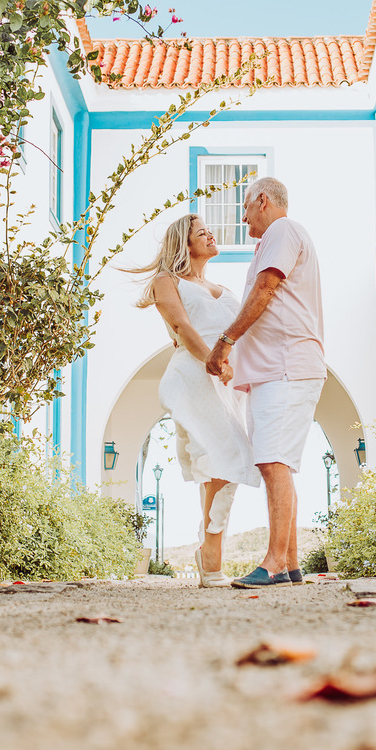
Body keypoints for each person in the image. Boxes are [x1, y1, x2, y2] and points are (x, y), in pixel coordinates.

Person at [125, 214, 261, 588]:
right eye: (202, 232)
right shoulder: (166, 282)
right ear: (184, 245)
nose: (211, 234)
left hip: (228, 382)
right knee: (221, 456)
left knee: (230, 459)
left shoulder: (224, 288)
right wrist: (212, 361)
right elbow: (183, 328)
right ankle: (212, 557)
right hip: (195, 378)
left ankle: (208, 550)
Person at [205, 177, 325, 589]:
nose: (242, 217)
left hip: (287, 367)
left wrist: (225, 341)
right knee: (278, 464)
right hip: (276, 370)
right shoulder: (271, 239)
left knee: (274, 462)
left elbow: (266, 289)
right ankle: (289, 563)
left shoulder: (283, 230)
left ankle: (273, 562)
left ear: (263, 200)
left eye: (245, 207)